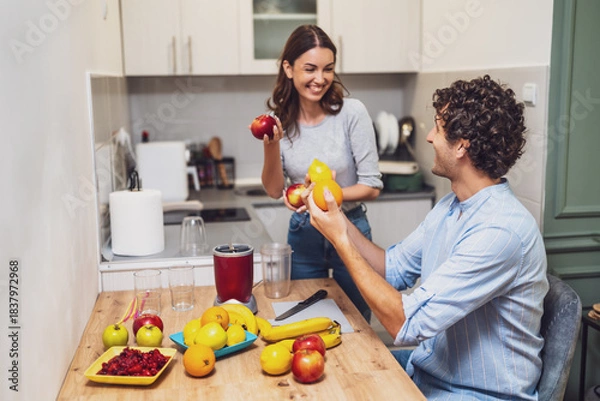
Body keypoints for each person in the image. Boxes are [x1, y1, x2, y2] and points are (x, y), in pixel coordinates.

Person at [301, 75, 549, 400]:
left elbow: (404, 324)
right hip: (431, 373)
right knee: (336, 374)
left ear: (462, 145)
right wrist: (338, 219)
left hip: (476, 394)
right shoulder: (451, 206)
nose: (430, 137)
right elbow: (391, 267)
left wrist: (341, 241)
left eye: (438, 127)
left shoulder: (500, 231)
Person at [259, 25, 383, 322]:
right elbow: (276, 190)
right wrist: (271, 146)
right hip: (304, 234)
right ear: (288, 69)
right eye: (310, 69)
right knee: (304, 319)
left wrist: (318, 194)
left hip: (351, 229)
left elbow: (371, 186)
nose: (320, 79)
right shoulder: (280, 123)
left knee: (358, 322)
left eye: (328, 69)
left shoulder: (352, 113)